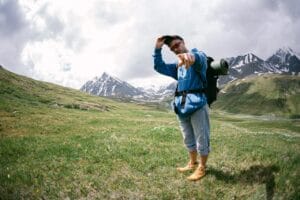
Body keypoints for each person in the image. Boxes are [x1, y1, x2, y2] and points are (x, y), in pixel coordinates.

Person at [153, 35, 210, 181]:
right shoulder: (178, 67)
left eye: (177, 45)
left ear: (183, 42)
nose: (175, 49)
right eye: (172, 49)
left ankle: (202, 167)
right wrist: (158, 48)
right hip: (181, 107)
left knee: (201, 138)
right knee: (188, 138)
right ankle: (192, 163)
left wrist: (191, 56)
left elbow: (198, 58)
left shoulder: (199, 57)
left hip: (198, 105)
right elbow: (159, 67)